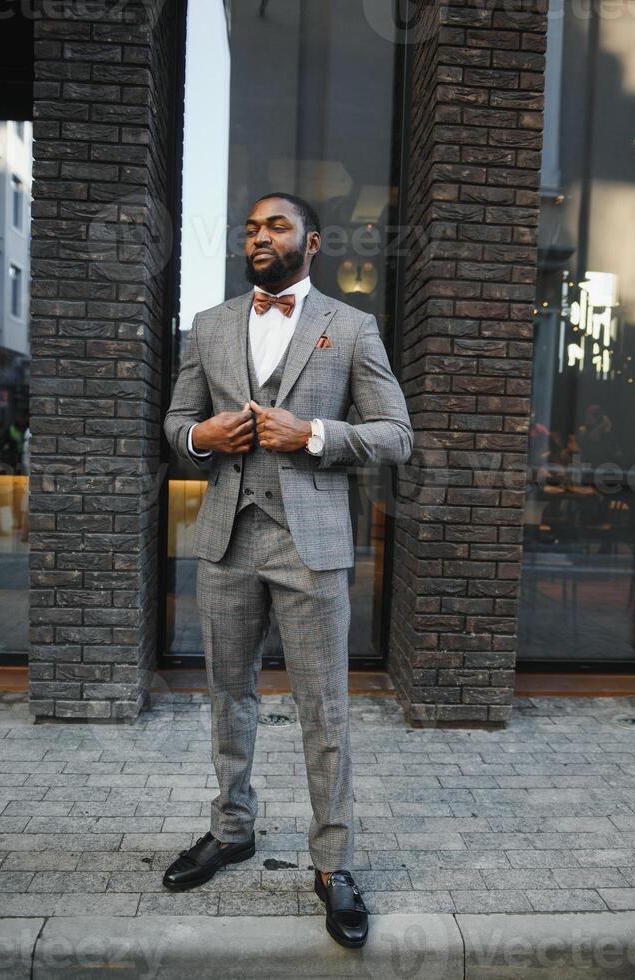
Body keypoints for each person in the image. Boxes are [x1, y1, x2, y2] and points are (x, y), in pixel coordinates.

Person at [162, 192, 413, 949]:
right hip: (228, 540)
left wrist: (314, 434)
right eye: (249, 226)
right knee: (229, 697)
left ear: (311, 240)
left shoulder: (351, 327)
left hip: (312, 547)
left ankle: (333, 864)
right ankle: (232, 827)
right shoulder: (208, 327)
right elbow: (175, 427)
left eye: (276, 225)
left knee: (323, 710)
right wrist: (200, 435)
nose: (259, 236)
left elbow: (396, 434)